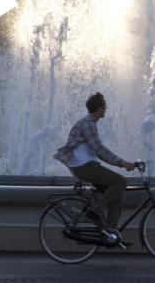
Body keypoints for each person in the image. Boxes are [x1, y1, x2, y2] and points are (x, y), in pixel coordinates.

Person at [54, 92, 136, 235]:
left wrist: (121, 163)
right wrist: (122, 163)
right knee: (121, 182)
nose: (106, 110)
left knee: (116, 194)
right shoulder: (88, 124)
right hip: (84, 166)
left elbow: (97, 151)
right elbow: (99, 150)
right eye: (104, 107)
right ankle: (94, 210)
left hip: (86, 165)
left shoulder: (89, 122)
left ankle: (110, 233)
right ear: (99, 109)